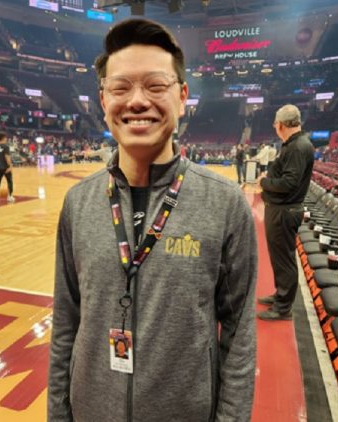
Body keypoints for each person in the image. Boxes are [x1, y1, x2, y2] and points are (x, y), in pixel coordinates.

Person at [48, 18, 258, 422]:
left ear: (182, 97)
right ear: (103, 99)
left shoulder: (226, 203)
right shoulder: (78, 202)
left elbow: (240, 337)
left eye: (155, 86)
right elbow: (65, 325)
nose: (138, 101)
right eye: (121, 87)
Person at [255, 105, 315, 321]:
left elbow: (289, 183)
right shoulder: (297, 144)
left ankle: (283, 307)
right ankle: (281, 295)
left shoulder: (297, 147)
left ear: (280, 125)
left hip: (285, 210)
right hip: (283, 209)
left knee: (284, 259)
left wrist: (265, 182)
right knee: (280, 258)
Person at [0, 132, 15, 203]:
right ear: (3, 138)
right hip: (5, 167)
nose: (6, 139)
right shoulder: (5, 146)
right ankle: (10, 196)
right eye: (5, 137)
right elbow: (7, 157)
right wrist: (10, 166)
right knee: (9, 181)